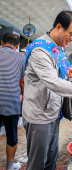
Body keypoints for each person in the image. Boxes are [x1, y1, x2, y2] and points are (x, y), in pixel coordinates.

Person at [22, 10, 72, 170]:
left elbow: (57, 67)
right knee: (37, 163)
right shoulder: (40, 50)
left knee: (50, 160)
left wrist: (67, 69)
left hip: (52, 112)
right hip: (39, 116)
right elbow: (53, 83)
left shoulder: (56, 48)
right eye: (71, 34)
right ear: (59, 27)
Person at [0, 33, 25, 170]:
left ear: (2, 42)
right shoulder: (21, 58)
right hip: (11, 102)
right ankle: (10, 166)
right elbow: (22, 82)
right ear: (16, 46)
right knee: (11, 135)